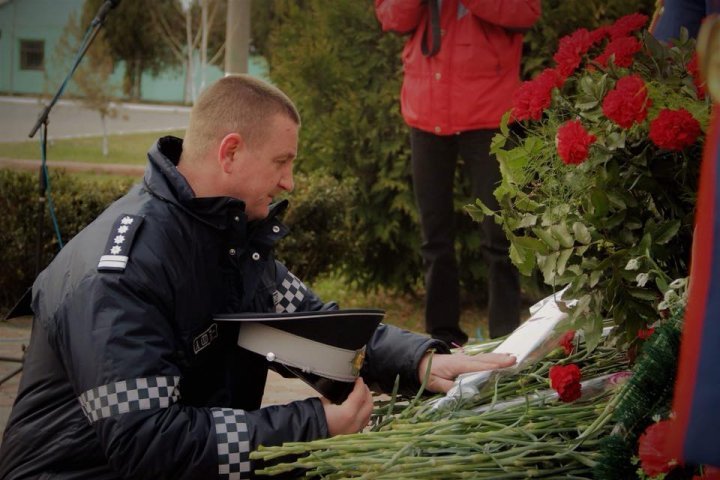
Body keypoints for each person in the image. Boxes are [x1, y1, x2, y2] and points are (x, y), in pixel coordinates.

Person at [0, 75, 516, 479]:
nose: (289, 180)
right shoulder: (122, 270)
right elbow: (146, 442)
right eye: (282, 162)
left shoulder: (226, 238)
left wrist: (423, 360)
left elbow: (313, 329)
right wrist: (312, 427)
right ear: (230, 152)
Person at [374, 0, 542, 346]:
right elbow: (391, 17)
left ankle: (505, 338)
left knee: (498, 233)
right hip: (426, 108)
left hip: (488, 110)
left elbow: (525, 12)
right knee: (433, 235)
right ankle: (442, 338)